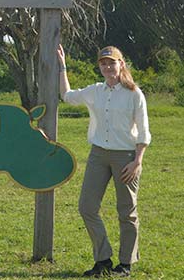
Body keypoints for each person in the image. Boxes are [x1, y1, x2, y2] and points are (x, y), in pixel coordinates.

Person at [58, 45, 151, 278]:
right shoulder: (95, 91)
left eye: (112, 62)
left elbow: (143, 131)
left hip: (126, 157)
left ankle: (126, 264)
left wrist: (137, 161)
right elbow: (67, 96)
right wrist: (62, 66)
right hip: (98, 155)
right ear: (99, 66)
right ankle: (103, 260)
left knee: (127, 212)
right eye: (103, 63)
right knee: (87, 207)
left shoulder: (134, 94)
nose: (108, 67)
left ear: (121, 64)